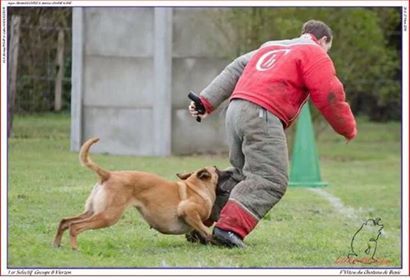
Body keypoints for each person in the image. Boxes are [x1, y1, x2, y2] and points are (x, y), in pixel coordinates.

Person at [188, 19, 357, 248]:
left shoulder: (272, 46)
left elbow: (236, 67)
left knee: (242, 175)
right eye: (328, 47)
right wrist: (346, 128)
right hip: (262, 113)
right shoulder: (314, 52)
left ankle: (197, 223)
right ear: (324, 40)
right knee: (271, 178)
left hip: (236, 110)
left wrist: (206, 101)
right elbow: (329, 94)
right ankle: (228, 229)